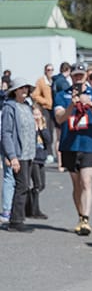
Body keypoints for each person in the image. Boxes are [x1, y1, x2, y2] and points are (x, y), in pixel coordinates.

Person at [54, 62, 92, 236]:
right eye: (75, 75)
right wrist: (71, 105)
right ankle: (80, 216)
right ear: (71, 76)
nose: (78, 78)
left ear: (86, 75)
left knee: (87, 181)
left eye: (81, 75)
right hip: (70, 145)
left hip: (89, 144)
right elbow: (59, 118)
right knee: (76, 184)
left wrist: (90, 104)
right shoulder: (62, 95)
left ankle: (86, 218)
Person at [1, 78, 37, 232]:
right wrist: (12, 156)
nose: (24, 91)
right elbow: (6, 133)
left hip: (29, 152)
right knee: (21, 186)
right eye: (21, 88)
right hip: (18, 153)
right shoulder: (10, 108)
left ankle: (19, 217)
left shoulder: (27, 106)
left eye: (26, 88)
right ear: (15, 90)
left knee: (25, 185)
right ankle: (16, 221)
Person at [25, 104, 50, 220]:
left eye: (38, 114)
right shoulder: (30, 127)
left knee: (42, 185)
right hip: (33, 158)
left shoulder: (43, 126)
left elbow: (48, 141)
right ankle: (35, 210)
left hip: (41, 158)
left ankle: (29, 203)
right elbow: (30, 141)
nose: (36, 117)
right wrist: (34, 129)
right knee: (37, 184)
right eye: (34, 115)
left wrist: (41, 128)